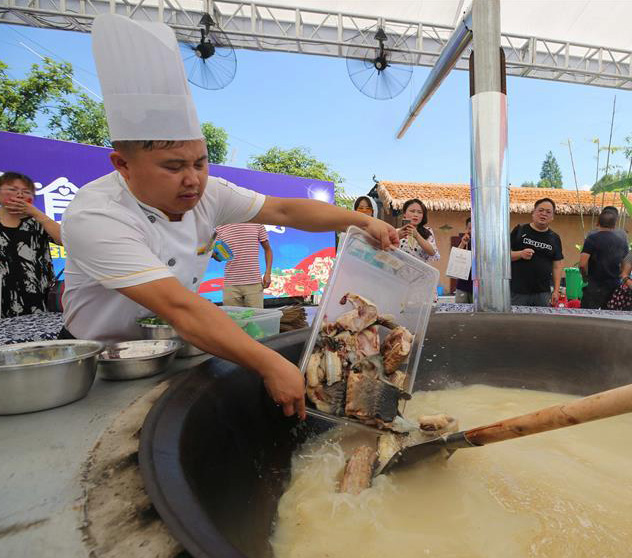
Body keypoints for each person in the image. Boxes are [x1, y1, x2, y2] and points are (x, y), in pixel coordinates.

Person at [60, 14, 398, 420]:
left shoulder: (209, 192)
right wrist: (269, 362)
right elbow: (179, 308)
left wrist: (358, 221)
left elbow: (285, 208)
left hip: (177, 350)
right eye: (173, 167)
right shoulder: (95, 215)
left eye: (201, 163)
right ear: (123, 165)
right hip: (102, 367)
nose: (193, 180)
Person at [0, 171, 62, 318]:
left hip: (38, 299)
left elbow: (66, 240)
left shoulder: (38, 223)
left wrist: (38, 214)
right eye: (12, 190)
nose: (20, 195)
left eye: (26, 192)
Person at [510, 198, 563, 307]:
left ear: (552, 217)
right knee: (516, 322)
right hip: (518, 291)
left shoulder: (554, 238)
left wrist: (556, 291)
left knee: (541, 323)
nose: (544, 214)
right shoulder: (520, 230)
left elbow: (557, 266)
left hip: (543, 293)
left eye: (548, 212)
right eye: (540, 210)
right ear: (533, 213)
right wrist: (520, 254)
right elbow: (503, 256)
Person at [579, 210, 629, 309]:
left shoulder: (591, 239)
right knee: (609, 319)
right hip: (613, 287)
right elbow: (625, 265)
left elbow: (582, 264)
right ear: (614, 226)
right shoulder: (622, 241)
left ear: (597, 223)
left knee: (588, 318)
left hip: (594, 286)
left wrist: (585, 277)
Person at [215, 223, 272, 308]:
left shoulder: (257, 224)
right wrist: (214, 254)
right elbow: (219, 258)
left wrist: (268, 274)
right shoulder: (220, 227)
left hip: (254, 283)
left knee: (256, 319)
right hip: (231, 285)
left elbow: (268, 250)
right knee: (232, 319)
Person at [396, 199, 439, 263]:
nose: (416, 215)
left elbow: (432, 253)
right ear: (404, 214)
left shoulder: (427, 232)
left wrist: (417, 236)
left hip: (420, 271)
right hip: (398, 271)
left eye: (419, 212)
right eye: (412, 211)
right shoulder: (396, 231)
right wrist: (397, 236)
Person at [454, 216, 473, 303]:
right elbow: (455, 258)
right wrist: (462, 244)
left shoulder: (485, 243)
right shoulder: (463, 241)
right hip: (462, 286)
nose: (472, 231)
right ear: (466, 229)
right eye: (470, 228)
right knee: (460, 313)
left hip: (479, 288)